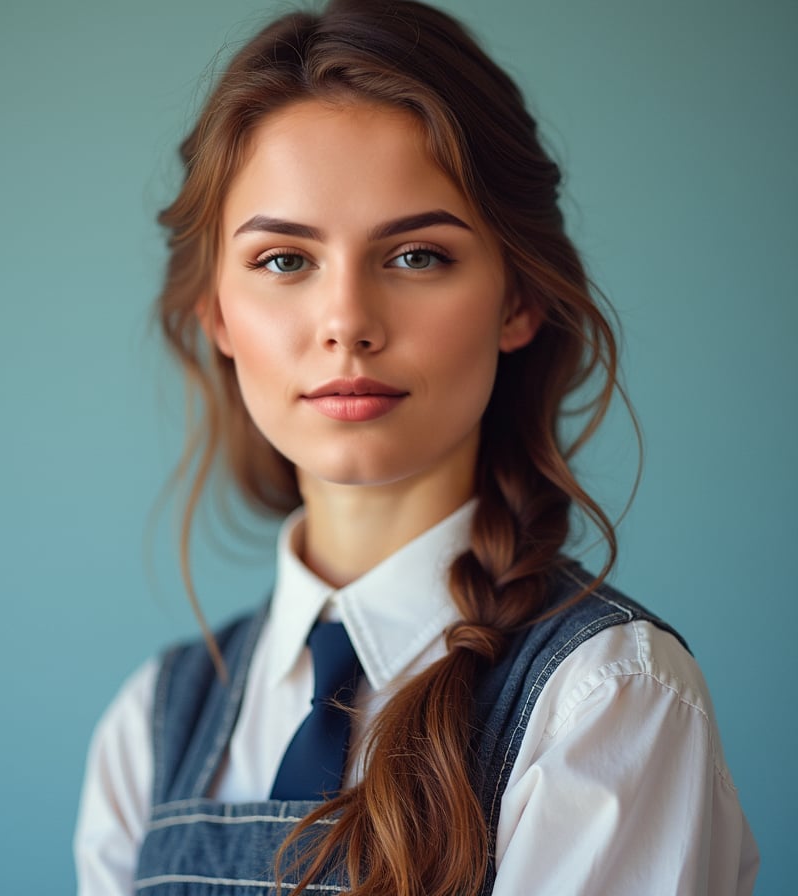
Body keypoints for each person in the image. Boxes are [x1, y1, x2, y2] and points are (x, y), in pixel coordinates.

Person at [74, 1, 759, 893]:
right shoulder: (147, 727)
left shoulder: (605, 699)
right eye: (285, 260)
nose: (348, 323)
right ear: (216, 314)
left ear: (518, 301)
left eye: (416, 256)